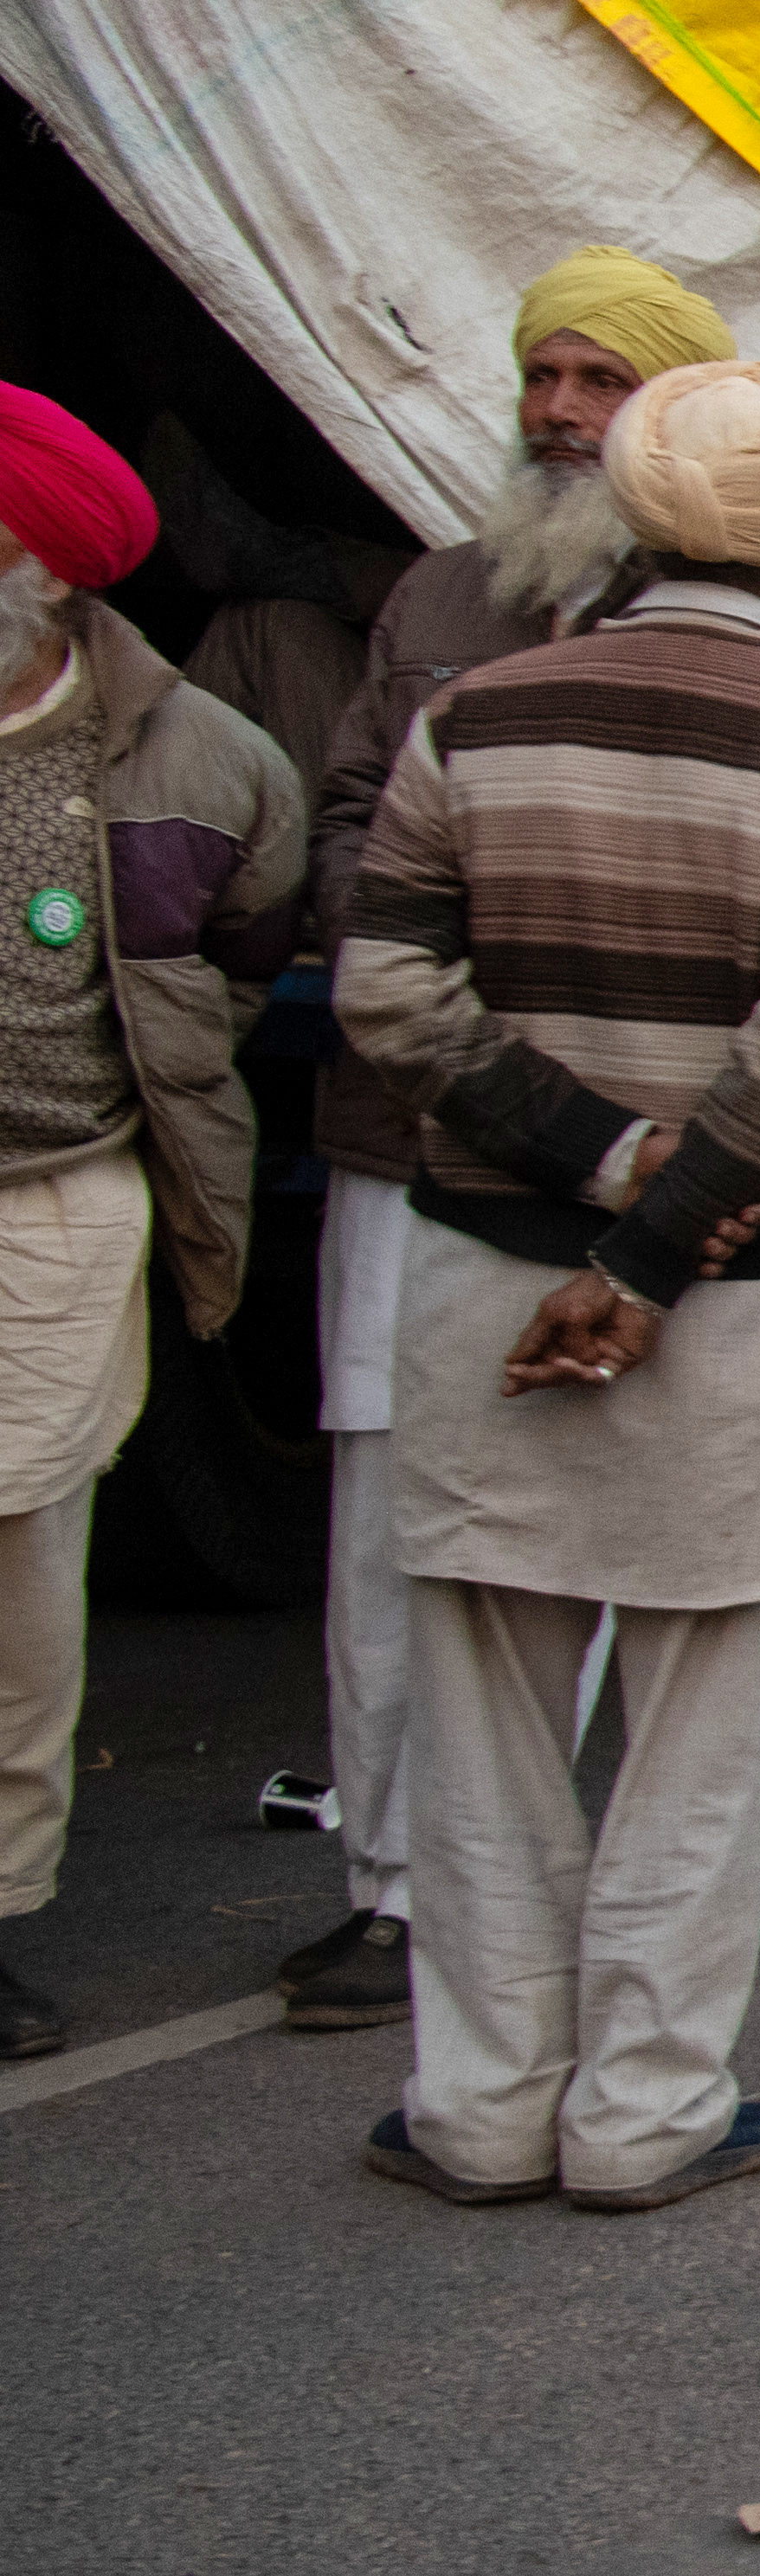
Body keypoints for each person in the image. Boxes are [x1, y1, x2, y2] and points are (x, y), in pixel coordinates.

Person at [337, 361, 760, 2207]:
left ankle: (478, 2107)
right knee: (703, 1728)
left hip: (485, 1273)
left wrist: (598, 1166)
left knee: (483, 1715)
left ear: (634, 518)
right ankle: (646, 2114)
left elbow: (387, 996)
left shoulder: (472, 719)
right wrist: (653, 1256)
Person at [275, 246, 760, 2038]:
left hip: (631, 1145)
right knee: (393, 1516)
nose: (560, 410)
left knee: (589, 1512)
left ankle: (527, 1905)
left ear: (668, 410)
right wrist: (424, 962)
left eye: (599, 381)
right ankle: (395, 1890)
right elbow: (348, 816)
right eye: (543, 375)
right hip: (415, 1128)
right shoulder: (439, 592)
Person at [0, 392, 312, 2063]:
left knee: (21, 1576)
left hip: (54, 1204)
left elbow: (249, 939)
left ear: (43, 570)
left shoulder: (204, 755)